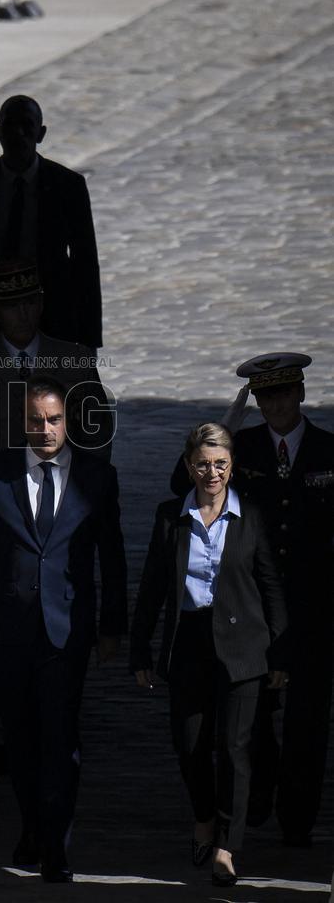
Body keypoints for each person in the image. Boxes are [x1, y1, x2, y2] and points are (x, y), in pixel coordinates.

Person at [0, 377, 127, 882]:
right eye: (36, 420)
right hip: (6, 629)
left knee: (60, 737)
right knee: (20, 737)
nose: (45, 429)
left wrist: (112, 626)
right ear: (22, 423)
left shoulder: (97, 477)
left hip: (66, 630)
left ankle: (56, 843)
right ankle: (33, 824)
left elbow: (112, 559)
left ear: (68, 421)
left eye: (53, 420)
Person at [170, 353, 334, 846]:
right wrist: (224, 427)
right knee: (253, 716)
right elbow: (183, 486)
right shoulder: (241, 450)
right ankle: (258, 794)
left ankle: (297, 819)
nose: (276, 405)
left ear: (301, 394)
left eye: (284, 394)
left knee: (307, 718)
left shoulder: (329, 451)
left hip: (312, 610)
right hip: (253, 609)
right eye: (266, 397)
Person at [131, 422, 288, 886]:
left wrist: (281, 652)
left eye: (220, 464)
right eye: (203, 464)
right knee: (190, 744)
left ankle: (226, 845)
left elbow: (271, 586)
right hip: (190, 642)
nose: (212, 472)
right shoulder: (169, 517)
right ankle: (203, 816)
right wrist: (140, 649)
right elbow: (153, 589)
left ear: (232, 466)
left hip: (243, 645)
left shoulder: (250, 516)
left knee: (235, 749)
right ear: (188, 466)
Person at [0, 258, 113, 502]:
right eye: (12, 306)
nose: (23, 315)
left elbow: (97, 438)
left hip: (66, 498)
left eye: (30, 303)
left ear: (42, 304)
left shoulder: (75, 361)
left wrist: (78, 497)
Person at [0, 95, 102, 350]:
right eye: (10, 125)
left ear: (41, 133)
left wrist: (89, 339)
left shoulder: (67, 185)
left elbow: (85, 262)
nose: (18, 134)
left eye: (27, 126)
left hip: (50, 316)